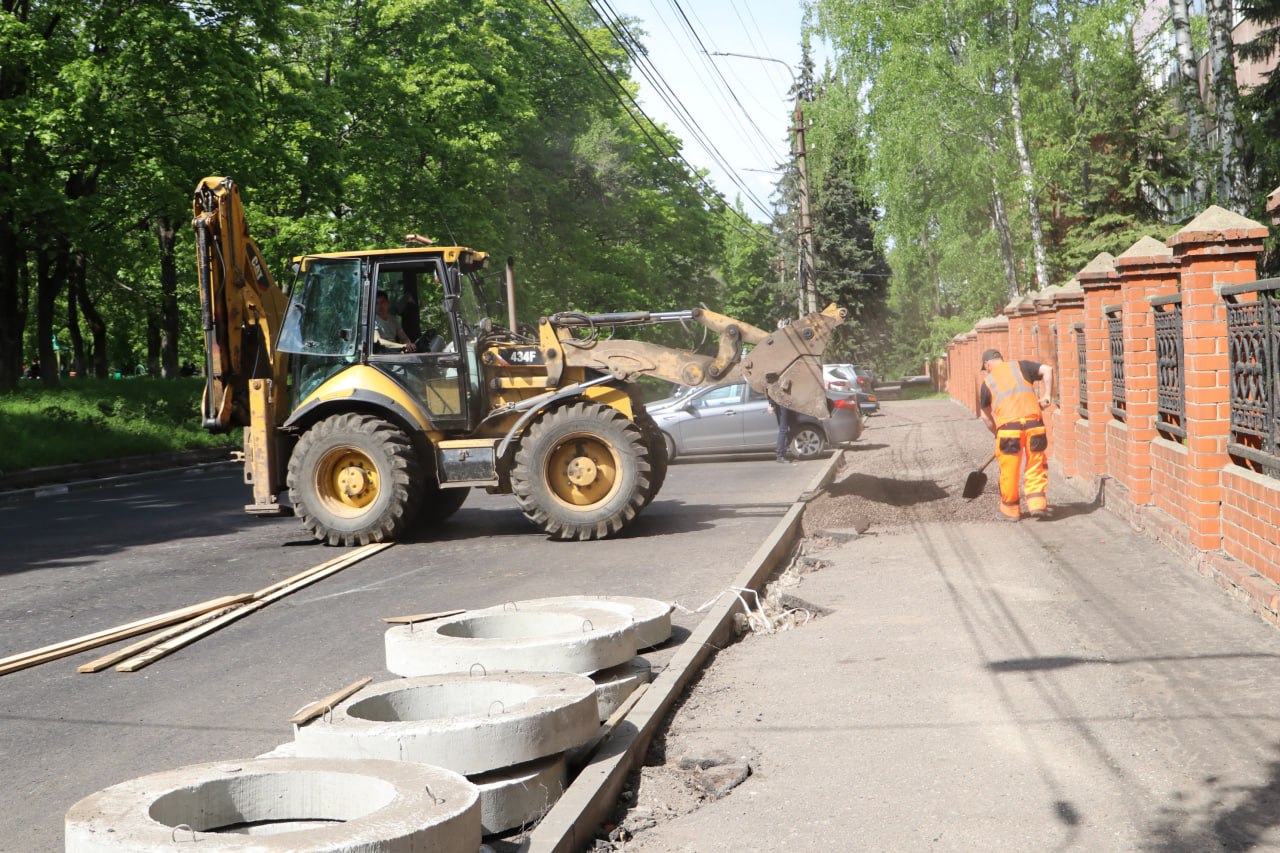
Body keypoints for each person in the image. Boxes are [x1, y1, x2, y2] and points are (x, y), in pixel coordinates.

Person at [978, 348, 1053, 521]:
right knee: (1036, 464)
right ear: (1001, 359)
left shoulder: (987, 382)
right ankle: (1037, 505)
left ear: (987, 364)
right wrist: (1048, 395)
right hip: (1035, 426)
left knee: (1009, 470)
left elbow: (985, 416)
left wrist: (997, 433)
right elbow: (1047, 370)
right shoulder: (1021, 367)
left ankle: (1010, 510)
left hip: (1008, 431)